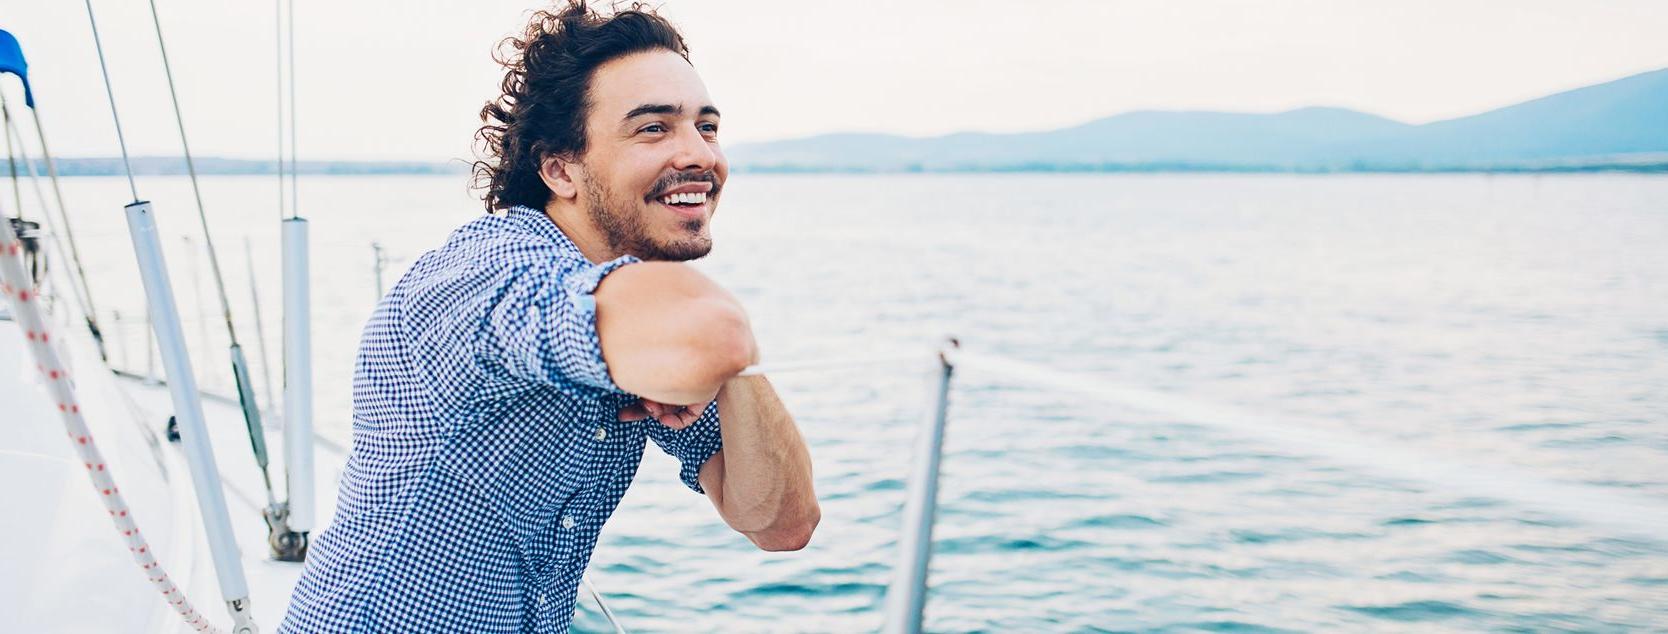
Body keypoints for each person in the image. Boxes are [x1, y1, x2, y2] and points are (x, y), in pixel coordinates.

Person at [280, 3, 818, 631]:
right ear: (560, 168)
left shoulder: (633, 317)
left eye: (706, 127)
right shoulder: (491, 274)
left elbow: (783, 523)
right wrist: (714, 345)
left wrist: (731, 371)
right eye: (653, 129)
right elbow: (711, 334)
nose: (698, 154)